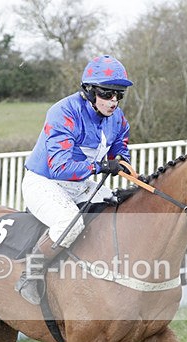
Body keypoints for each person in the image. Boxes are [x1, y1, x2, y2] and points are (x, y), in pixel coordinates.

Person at [15, 54, 134, 305]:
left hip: (80, 184)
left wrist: (123, 163)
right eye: (107, 94)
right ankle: (30, 273)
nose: (113, 101)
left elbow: (120, 146)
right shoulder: (63, 112)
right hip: (45, 182)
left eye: (119, 95)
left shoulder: (117, 118)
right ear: (89, 91)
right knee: (70, 223)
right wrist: (100, 166)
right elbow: (60, 167)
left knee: (120, 211)